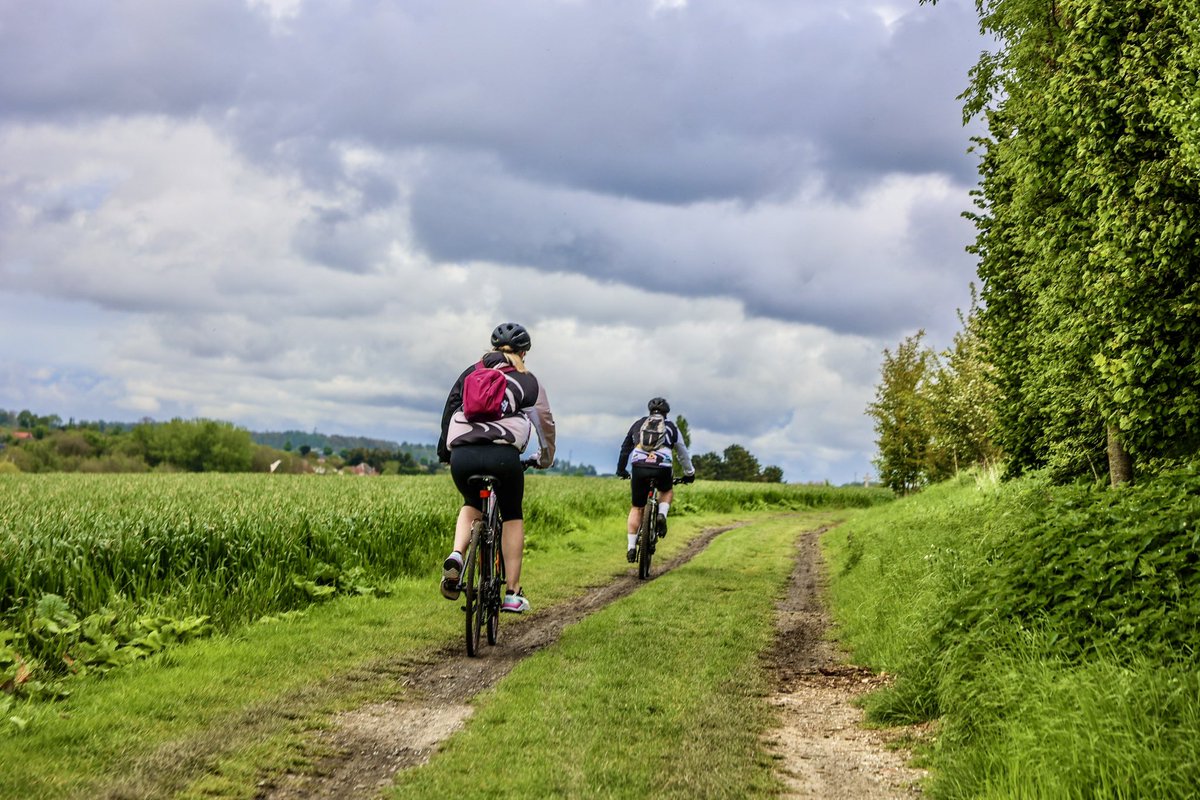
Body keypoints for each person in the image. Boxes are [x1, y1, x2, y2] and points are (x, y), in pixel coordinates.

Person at [436, 322, 556, 613]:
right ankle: (512, 593)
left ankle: (457, 554)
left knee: (471, 502)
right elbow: (545, 424)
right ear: (523, 353)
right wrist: (545, 458)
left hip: (463, 454)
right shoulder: (528, 381)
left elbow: (450, 411)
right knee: (512, 513)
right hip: (503, 457)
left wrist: (446, 453)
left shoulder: (470, 373)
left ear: (492, 348)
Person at [615, 397, 695, 562]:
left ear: (650, 411)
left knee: (637, 507)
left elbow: (625, 449)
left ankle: (631, 547)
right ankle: (661, 515)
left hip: (639, 465)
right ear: (666, 413)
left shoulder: (638, 424)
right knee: (666, 490)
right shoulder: (671, 427)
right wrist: (689, 473)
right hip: (662, 466)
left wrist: (621, 469)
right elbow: (682, 453)